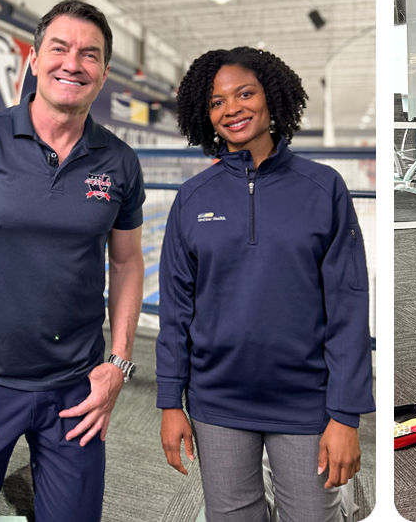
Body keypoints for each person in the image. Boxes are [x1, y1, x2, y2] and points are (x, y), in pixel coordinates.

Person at [0, 0, 145, 520]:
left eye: (90, 55)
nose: (73, 63)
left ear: (103, 74)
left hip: (77, 391)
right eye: (59, 49)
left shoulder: (120, 162)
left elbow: (127, 264)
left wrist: (117, 365)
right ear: (34, 59)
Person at [156, 46, 374, 522]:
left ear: (272, 99)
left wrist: (345, 414)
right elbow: (175, 311)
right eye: (216, 102)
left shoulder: (323, 188)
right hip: (218, 402)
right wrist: (171, 403)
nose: (231, 108)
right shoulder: (193, 198)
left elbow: (347, 306)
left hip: (304, 400)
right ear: (204, 114)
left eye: (245, 93)